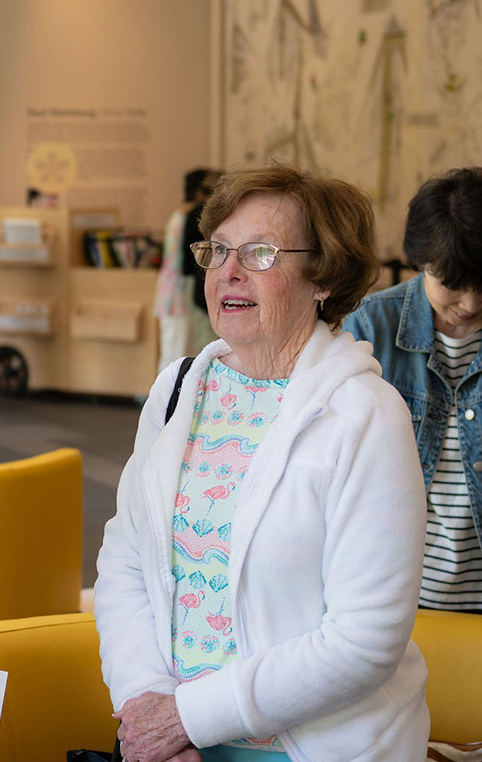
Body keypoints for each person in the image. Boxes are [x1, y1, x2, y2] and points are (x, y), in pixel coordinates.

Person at [95, 164, 428, 762]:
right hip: (173, 743)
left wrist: (186, 718)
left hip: (315, 750)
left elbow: (365, 640)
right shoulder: (176, 391)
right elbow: (125, 558)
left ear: (322, 278)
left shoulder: (367, 415)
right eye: (219, 249)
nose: (228, 271)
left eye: (260, 253)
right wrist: (147, 704)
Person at [344, 166, 482, 612]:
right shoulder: (370, 328)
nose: (471, 304)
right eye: (454, 285)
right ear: (420, 261)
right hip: (398, 597)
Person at [155, 169, 221, 371]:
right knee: (174, 354)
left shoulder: (181, 212)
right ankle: (167, 401)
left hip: (174, 288)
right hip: (179, 290)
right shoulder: (191, 215)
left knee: (176, 350)